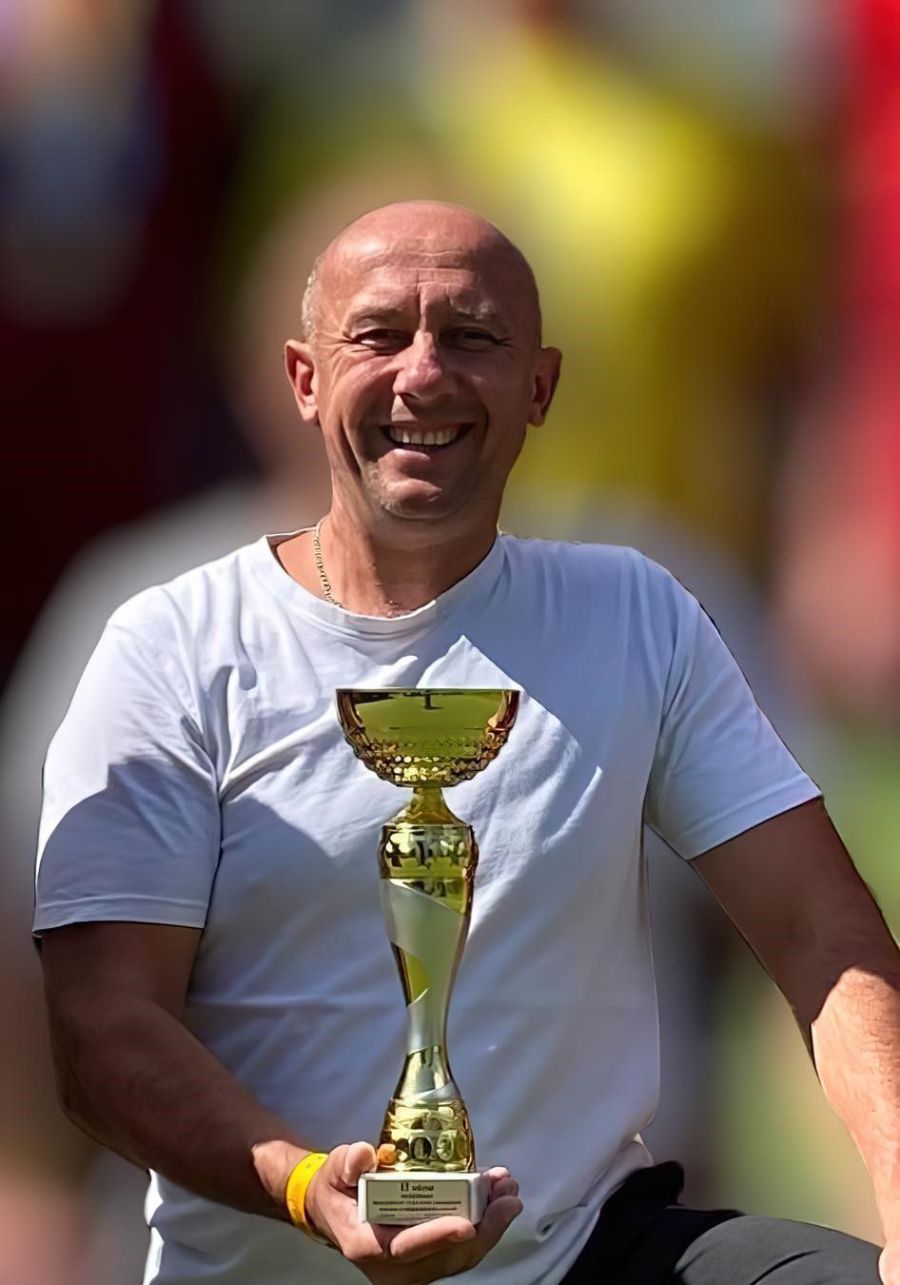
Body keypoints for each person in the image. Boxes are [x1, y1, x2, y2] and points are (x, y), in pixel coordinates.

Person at [35, 201, 898, 1285]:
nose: (424, 374)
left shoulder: (637, 614)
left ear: (540, 386)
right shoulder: (172, 644)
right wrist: (305, 1187)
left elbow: (821, 932)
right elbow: (103, 1020)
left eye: (472, 336)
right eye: (379, 335)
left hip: (583, 1250)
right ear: (304, 379)